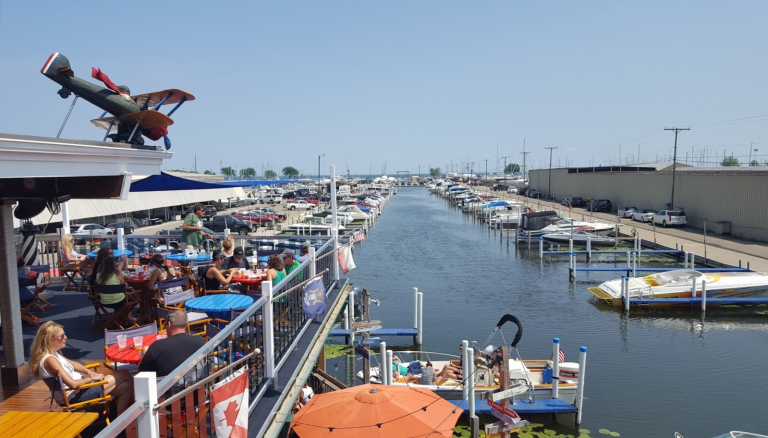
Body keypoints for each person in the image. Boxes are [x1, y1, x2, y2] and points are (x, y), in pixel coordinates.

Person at [30, 321, 134, 416]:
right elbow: (73, 385)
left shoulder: (54, 354)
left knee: (126, 386)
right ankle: (138, 408)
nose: (65, 337)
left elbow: (73, 364)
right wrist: (92, 378)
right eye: (61, 336)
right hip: (75, 397)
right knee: (124, 373)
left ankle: (121, 420)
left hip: (81, 390)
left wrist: (89, 372)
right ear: (50, 340)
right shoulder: (50, 360)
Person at [139, 310, 205, 377]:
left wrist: (145, 353)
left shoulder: (157, 346)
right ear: (186, 324)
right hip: (193, 381)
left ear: (169, 324)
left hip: (163, 383)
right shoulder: (200, 341)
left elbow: (141, 372)